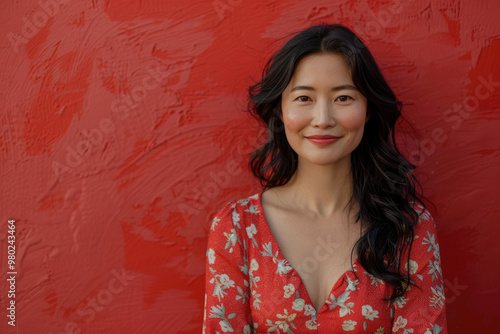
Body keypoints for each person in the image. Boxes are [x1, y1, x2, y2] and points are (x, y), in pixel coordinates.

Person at [203, 23, 447, 333]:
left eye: (343, 98)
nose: (323, 119)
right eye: (304, 98)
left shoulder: (407, 228)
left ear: (368, 110)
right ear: (281, 109)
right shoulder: (237, 228)